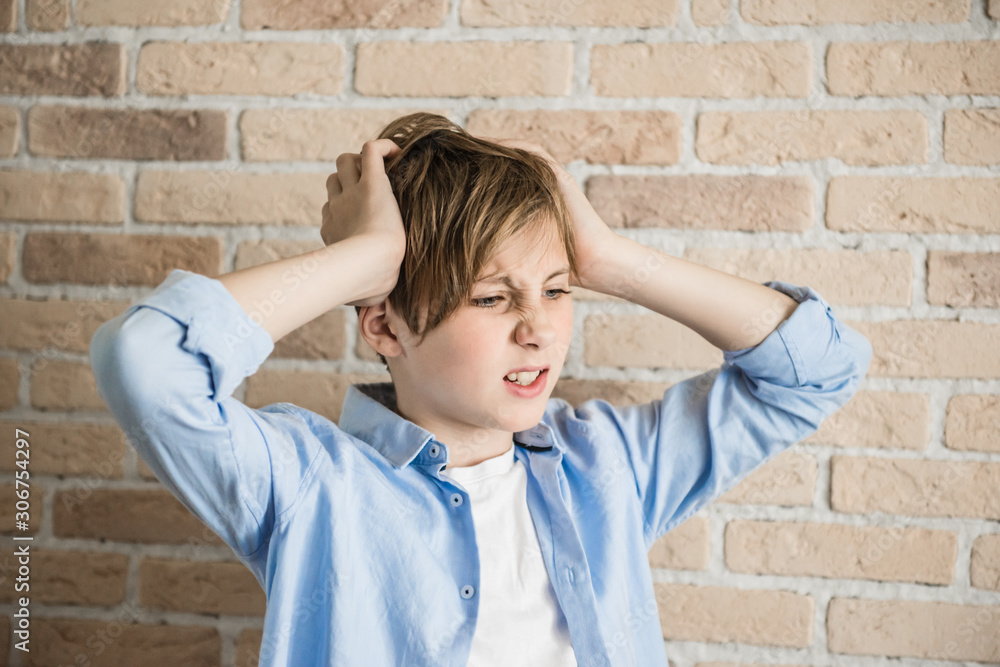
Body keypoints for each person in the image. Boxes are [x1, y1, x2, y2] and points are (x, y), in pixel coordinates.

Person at [89, 112, 872, 666]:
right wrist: (364, 261)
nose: (540, 329)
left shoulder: (610, 469)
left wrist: (605, 256)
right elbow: (145, 362)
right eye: (493, 298)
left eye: (559, 291)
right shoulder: (312, 487)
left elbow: (820, 368)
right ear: (385, 327)